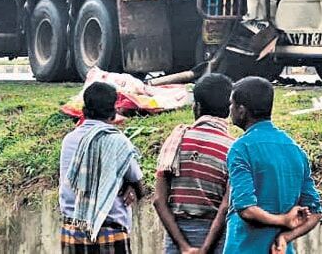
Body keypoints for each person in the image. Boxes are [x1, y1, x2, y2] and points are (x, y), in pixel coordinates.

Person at [224, 77, 322, 254]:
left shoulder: (241, 148)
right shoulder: (295, 150)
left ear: (241, 110)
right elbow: (315, 212)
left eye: (231, 104)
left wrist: (283, 220)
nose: (229, 109)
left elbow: (246, 209)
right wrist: (285, 237)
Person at [154, 74, 234, 254]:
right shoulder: (232, 149)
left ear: (196, 107)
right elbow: (226, 207)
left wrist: (183, 246)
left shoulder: (176, 141)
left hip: (177, 237)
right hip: (216, 239)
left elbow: (159, 200)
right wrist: (205, 249)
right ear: (229, 109)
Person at [59, 82, 143, 253]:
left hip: (73, 230)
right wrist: (130, 186)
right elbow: (137, 182)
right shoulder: (118, 141)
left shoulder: (69, 140)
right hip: (110, 230)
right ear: (114, 110)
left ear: (85, 109)